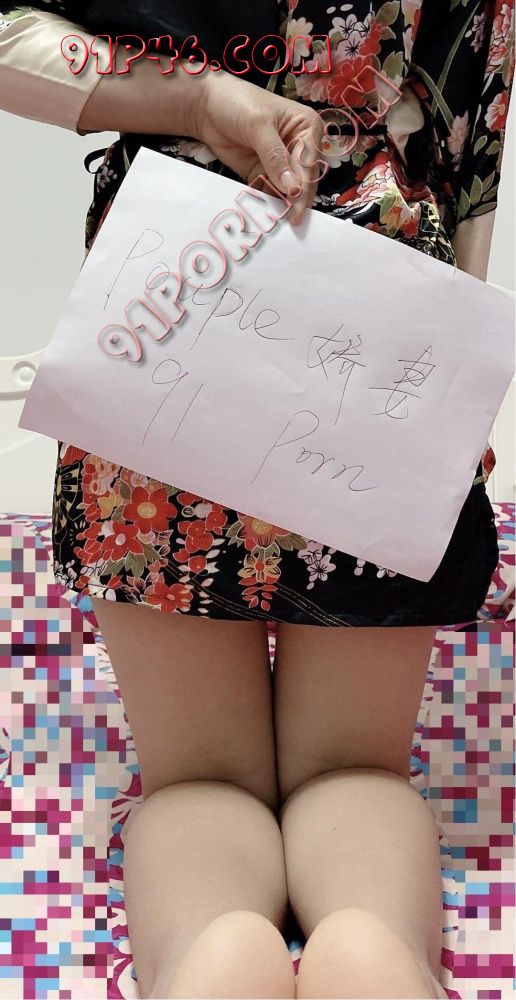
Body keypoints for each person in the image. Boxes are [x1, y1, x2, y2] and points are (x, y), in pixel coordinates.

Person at [1, 2, 513, 997]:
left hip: (170, 294)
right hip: (379, 321)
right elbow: (471, 119)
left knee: (200, 778)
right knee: (354, 772)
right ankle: (376, 947)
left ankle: (211, 955)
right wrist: (457, 386)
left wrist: (195, 98)